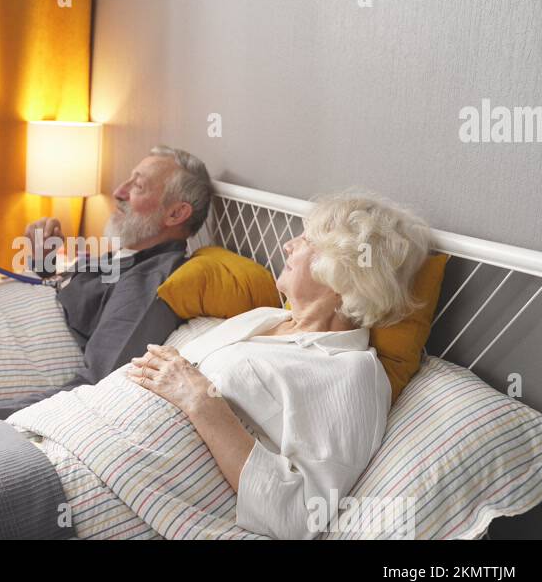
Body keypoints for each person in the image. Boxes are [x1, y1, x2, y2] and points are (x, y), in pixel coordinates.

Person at [125, 192, 431, 539]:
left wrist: (202, 402)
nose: (288, 245)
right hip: (72, 432)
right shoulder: (266, 317)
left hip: (109, 488)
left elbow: (301, 517)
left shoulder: (352, 374)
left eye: (308, 240)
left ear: (343, 272)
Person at [0, 146, 215, 430]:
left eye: (138, 186)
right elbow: (78, 303)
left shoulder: (150, 282)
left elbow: (98, 384)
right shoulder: (126, 256)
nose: (119, 191)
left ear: (176, 213)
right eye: (128, 180)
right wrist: (43, 263)